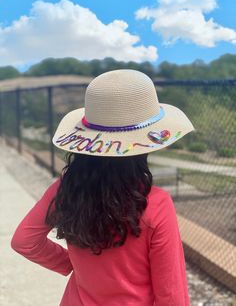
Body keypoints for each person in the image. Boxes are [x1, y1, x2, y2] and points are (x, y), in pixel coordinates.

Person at [11, 69, 194, 305]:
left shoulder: (67, 188)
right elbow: (172, 295)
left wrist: (71, 264)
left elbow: (24, 240)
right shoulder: (155, 204)